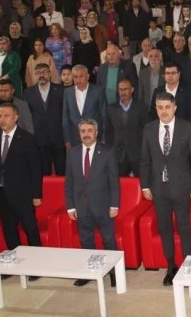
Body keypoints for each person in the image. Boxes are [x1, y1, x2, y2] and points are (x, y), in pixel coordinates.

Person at [140, 92, 191, 286]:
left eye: (167, 107)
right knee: (164, 228)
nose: (164, 111)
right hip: (159, 189)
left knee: (184, 228)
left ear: (174, 108)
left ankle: (189, 266)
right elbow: (145, 160)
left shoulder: (187, 127)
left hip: (182, 187)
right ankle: (171, 267)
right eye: (160, 107)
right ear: (156, 109)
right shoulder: (149, 129)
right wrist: (145, 185)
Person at [0, 103, 42, 278]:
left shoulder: (27, 138)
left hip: (23, 194)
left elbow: (36, 169)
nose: (2, 119)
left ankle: (37, 266)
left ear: (16, 117)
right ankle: (15, 266)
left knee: (30, 230)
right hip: (2, 193)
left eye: (6, 116)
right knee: (9, 232)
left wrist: (36, 195)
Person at [65, 119, 119, 287]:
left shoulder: (107, 152)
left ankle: (114, 273)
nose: (86, 134)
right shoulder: (72, 153)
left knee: (108, 240)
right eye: (83, 131)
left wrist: (114, 205)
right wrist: (70, 206)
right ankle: (90, 273)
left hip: (103, 206)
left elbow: (114, 181)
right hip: (82, 206)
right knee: (86, 240)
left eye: (90, 130)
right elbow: (69, 182)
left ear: (96, 132)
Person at [23, 63, 65, 175]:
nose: (41, 75)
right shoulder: (28, 92)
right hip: (39, 139)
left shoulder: (61, 90)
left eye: (44, 72)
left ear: (50, 74)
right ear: (34, 75)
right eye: (38, 73)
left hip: (58, 138)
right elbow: (26, 117)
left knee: (62, 171)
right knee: (43, 173)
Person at [108, 79, 149, 176]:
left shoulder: (142, 108)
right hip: (119, 153)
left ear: (132, 90)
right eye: (120, 89)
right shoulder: (111, 108)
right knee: (119, 182)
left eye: (126, 89)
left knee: (142, 181)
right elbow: (109, 131)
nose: (123, 92)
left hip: (137, 153)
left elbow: (146, 130)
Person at [62, 65, 108, 149]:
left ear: (87, 76)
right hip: (74, 138)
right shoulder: (68, 92)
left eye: (81, 76)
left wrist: (104, 137)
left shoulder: (98, 91)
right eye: (75, 77)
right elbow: (65, 117)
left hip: (94, 137)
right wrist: (67, 139)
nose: (78, 80)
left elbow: (104, 116)